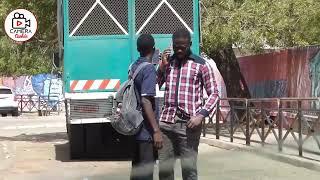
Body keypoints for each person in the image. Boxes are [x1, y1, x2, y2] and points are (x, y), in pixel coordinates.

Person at [157, 29, 219, 180]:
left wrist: (201, 115)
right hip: (166, 123)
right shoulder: (168, 63)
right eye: (176, 46)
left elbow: (215, 93)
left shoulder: (201, 65)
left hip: (189, 125)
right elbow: (156, 85)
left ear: (190, 44)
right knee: (164, 170)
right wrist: (161, 68)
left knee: (189, 171)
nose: (179, 49)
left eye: (182, 46)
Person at [130, 34, 163, 180]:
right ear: (154, 49)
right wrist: (156, 130)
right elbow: (146, 101)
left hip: (135, 128)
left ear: (138, 49)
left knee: (137, 171)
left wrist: (161, 69)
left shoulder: (133, 66)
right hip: (146, 131)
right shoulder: (149, 69)